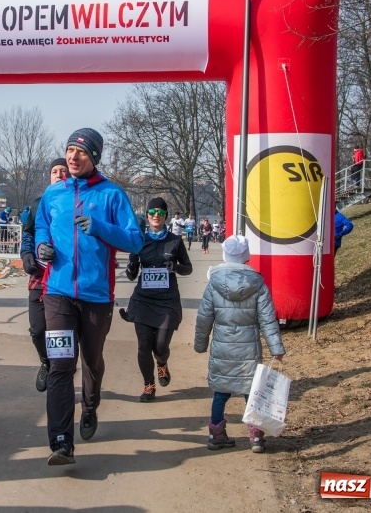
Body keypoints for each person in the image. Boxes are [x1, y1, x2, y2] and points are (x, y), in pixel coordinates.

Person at [34, 128, 144, 466]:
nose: (72, 157)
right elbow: (40, 227)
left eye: (80, 152)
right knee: (61, 365)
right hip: (58, 294)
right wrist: (41, 250)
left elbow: (135, 241)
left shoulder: (112, 195)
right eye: (69, 150)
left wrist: (99, 227)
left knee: (91, 360)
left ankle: (91, 405)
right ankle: (61, 441)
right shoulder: (53, 194)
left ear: (93, 157)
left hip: (97, 296)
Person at [194, 235, 285, 454]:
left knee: (220, 393)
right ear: (246, 256)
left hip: (222, 350)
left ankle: (216, 435)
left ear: (225, 254)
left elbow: (204, 317)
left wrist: (200, 343)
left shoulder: (213, 284)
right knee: (251, 393)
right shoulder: (258, 285)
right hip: (248, 350)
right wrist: (276, 348)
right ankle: (255, 436)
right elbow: (267, 319)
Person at [120, 197, 192, 402]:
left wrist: (175, 267)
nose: (155, 216)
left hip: (167, 301)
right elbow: (132, 276)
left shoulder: (175, 241)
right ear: (147, 215)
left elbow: (188, 268)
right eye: (152, 212)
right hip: (143, 300)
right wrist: (132, 264)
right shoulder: (139, 241)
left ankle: (162, 363)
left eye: (160, 213)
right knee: (144, 346)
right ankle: (148, 385)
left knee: (160, 346)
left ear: (166, 216)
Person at [20, 157, 68, 392]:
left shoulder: (79, 202)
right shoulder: (39, 204)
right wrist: (26, 255)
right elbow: (27, 235)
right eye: (54, 171)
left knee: (60, 332)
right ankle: (45, 362)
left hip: (66, 277)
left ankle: (62, 374)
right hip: (40, 276)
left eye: (63, 171)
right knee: (38, 330)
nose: (59, 174)